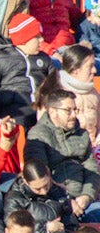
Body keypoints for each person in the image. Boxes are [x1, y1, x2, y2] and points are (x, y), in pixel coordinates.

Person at [27, 88, 100, 219]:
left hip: (83, 199)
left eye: (75, 110)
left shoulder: (82, 134)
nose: (73, 115)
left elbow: (92, 169)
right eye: (68, 111)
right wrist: (66, 202)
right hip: (55, 202)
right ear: (53, 112)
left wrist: (87, 195)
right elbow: (41, 176)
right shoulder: (38, 136)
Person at [0, 12, 53, 127]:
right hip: (15, 108)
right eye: (37, 36)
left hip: (43, 106)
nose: (42, 40)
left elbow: (55, 82)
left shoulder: (44, 58)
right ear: (24, 39)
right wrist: (9, 97)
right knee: (23, 119)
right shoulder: (0, 59)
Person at [4, 158, 76, 233]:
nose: (44, 191)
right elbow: (14, 229)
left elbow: (70, 221)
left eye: (46, 185)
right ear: (25, 181)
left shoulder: (57, 191)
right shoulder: (14, 199)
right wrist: (46, 229)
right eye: (37, 189)